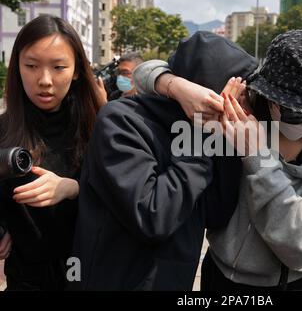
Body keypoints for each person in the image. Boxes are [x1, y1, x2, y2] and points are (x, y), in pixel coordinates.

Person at [138, 30, 302, 290]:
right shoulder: (241, 109)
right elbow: (143, 73)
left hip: (288, 284)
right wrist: (178, 88)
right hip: (219, 275)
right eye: (297, 113)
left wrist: (258, 158)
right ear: (271, 97)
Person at [69, 32, 258, 291]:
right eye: (238, 98)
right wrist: (200, 136)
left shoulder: (205, 133)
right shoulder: (121, 121)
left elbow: (217, 213)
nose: (243, 109)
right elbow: (153, 216)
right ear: (206, 96)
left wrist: (231, 146)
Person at [0, 14, 103, 290]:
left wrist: (74, 188)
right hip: (26, 280)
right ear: (17, 66)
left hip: (88, 274)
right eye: (31, 66)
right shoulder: (3, 130)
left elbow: (127, 201)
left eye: (58, 67)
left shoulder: (101, 128)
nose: (44, 80)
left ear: (77, 70)